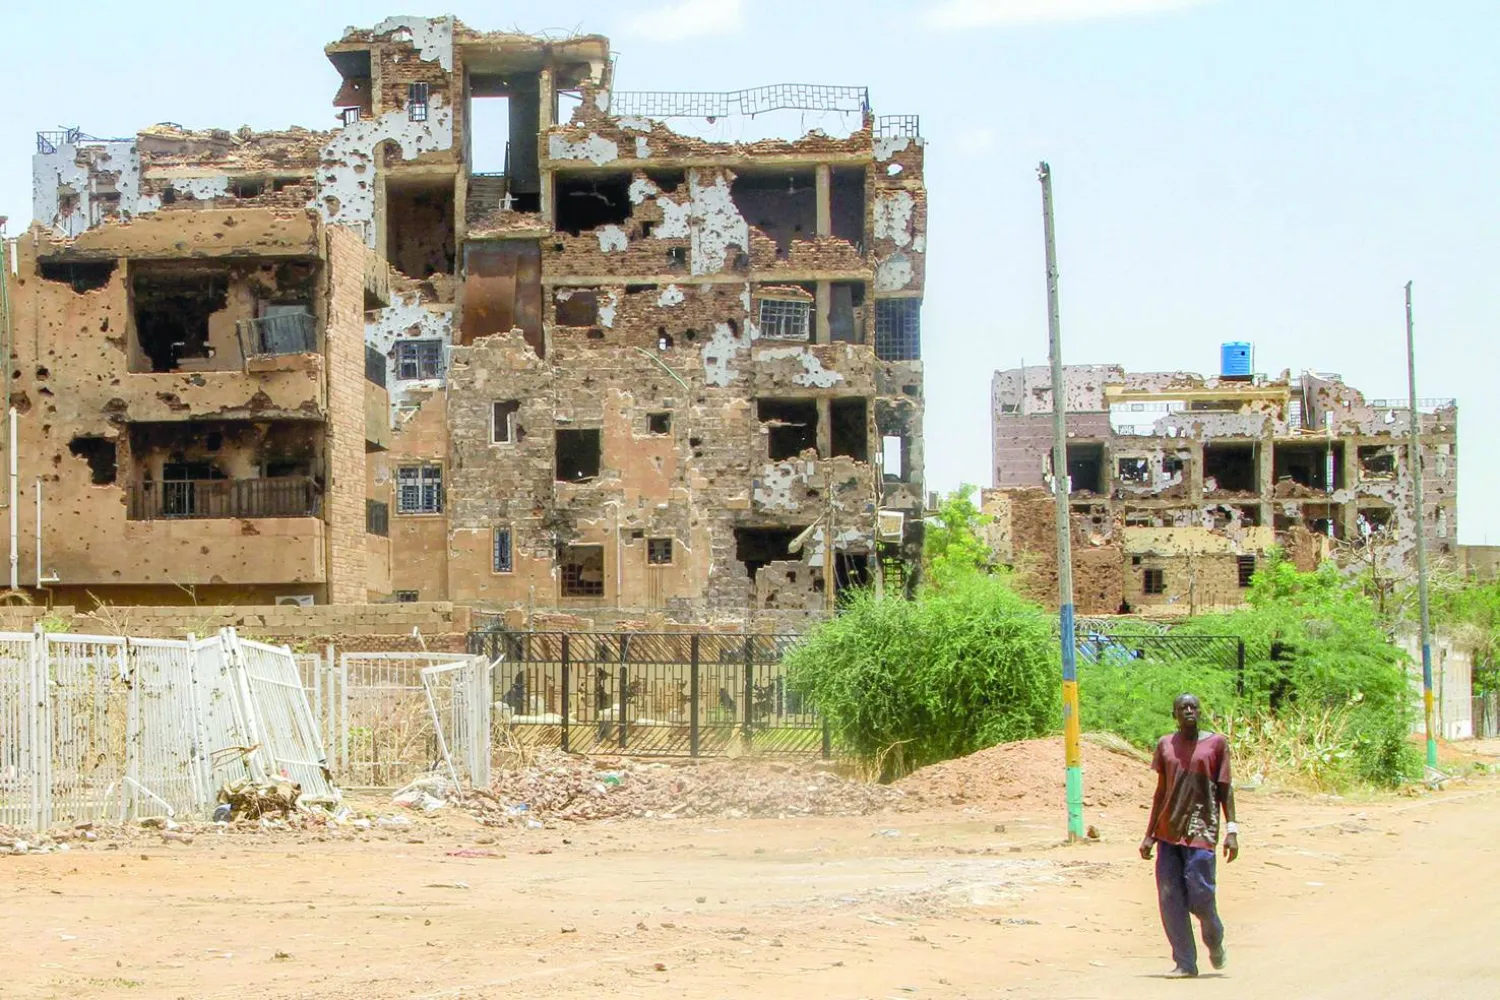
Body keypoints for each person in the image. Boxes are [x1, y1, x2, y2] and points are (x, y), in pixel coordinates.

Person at [1139, 693, 1238, 979]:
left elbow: (1225, 789)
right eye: (1183, 708)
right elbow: (1160, 793)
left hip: (1202, 832)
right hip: (1168, 833)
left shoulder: (1216, 744)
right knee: (1170, 898)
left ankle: (1214, 937)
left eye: (1193, 706)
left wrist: (1232, 830)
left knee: (1201, 896)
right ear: (1175, 715)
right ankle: (1185, 963)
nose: (1189, 711)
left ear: (1200, 711)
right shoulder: (1165, 745)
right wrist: (1149, 835)